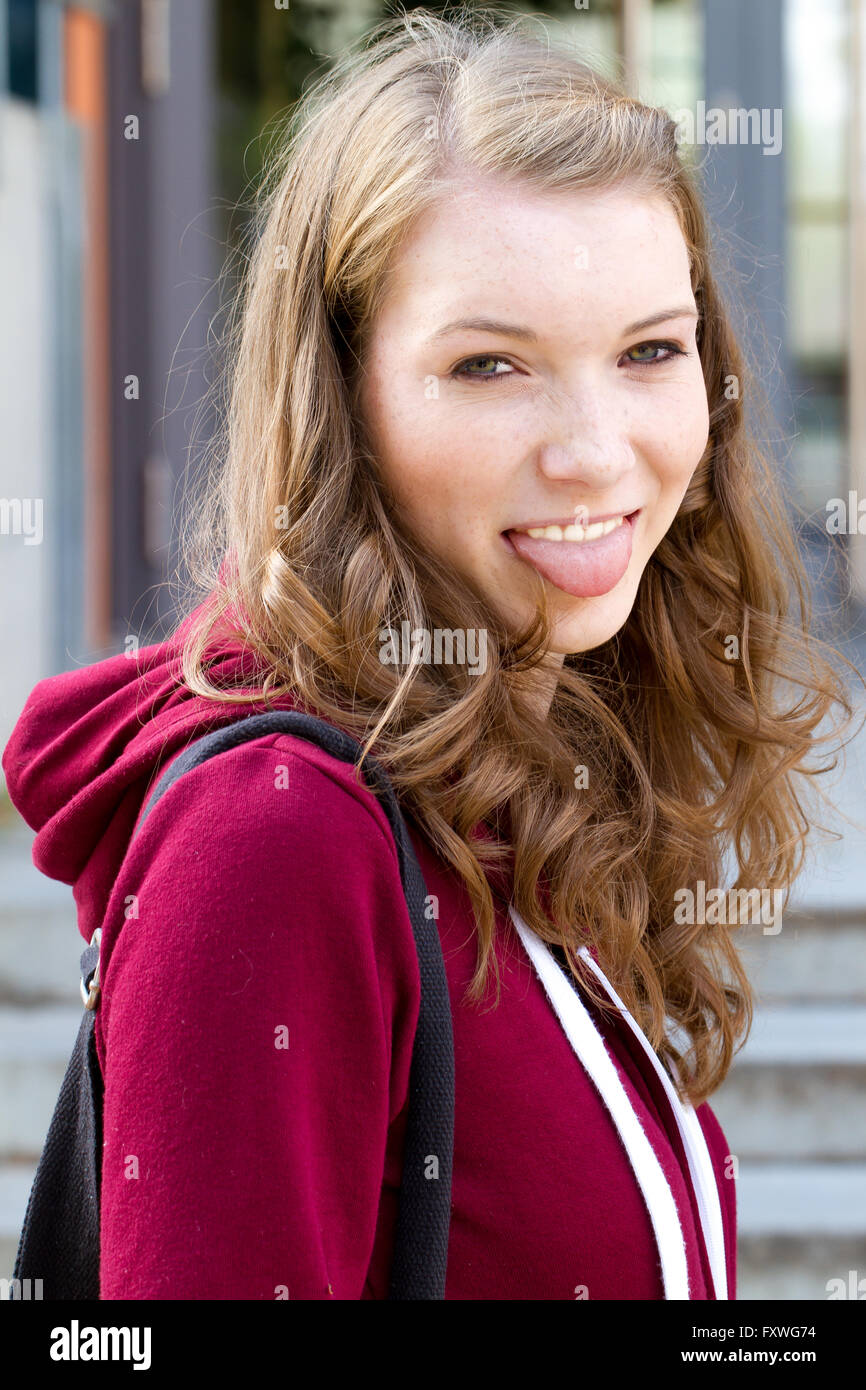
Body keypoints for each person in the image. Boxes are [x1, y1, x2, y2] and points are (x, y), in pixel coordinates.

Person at [3, 5, 856, 1300]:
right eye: (489, 364)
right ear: (342, 395)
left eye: (647, 351)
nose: (592, 449)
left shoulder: (521, 761)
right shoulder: (277, 838)